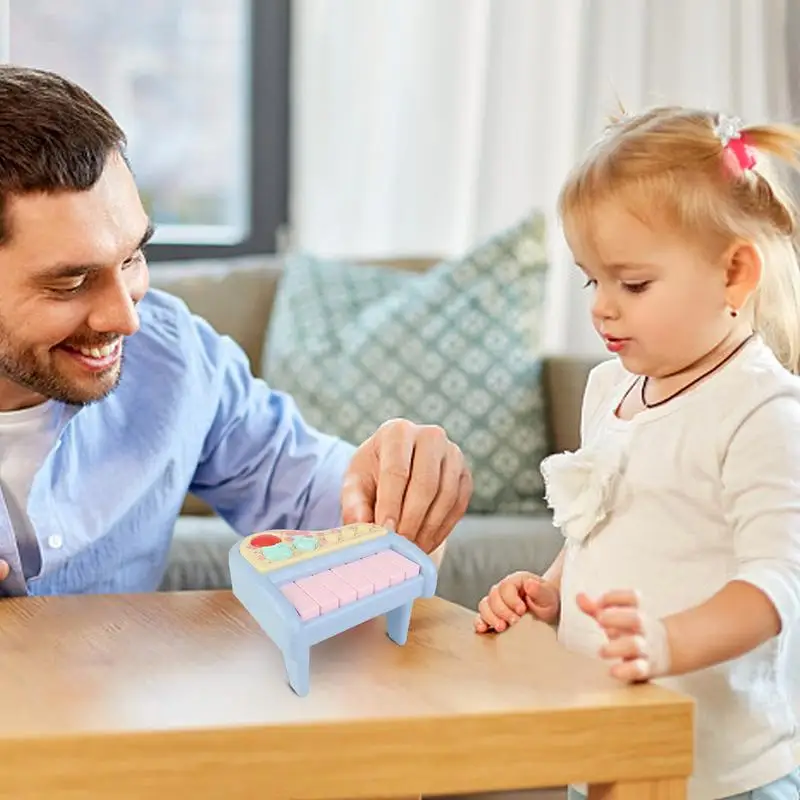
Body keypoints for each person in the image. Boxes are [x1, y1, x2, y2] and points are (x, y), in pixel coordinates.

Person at [0, 65, 472, 598]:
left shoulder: (173, 357)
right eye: (72, 282)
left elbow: (340, 515)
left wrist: (402, 490)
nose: (125, 319)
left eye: (132, 258)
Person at [475, 106, 800, 800]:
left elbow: (778, 587)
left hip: (722, 772)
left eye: (634, 283)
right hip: (611, 740)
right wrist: (551, 589)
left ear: (734, 273)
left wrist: (670, 642)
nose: (602, 308)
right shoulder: (608, 387)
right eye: (593, 280)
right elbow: (602, 524)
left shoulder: (760, 410)